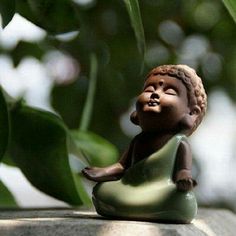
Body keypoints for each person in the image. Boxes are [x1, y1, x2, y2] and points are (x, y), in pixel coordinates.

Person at [82, 64, 207, 223]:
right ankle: (141, 208)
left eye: (169, 91)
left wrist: (184, 179)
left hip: (162, 190)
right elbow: (122, 166)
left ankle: (139, 208)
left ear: (192, 113)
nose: (155, 93)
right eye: (149, 90)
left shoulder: (178, 143)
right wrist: (101, 172)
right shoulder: (139, 140)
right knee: (101, 190)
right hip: (130, 187)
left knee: (182, 200)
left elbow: (183, 170)